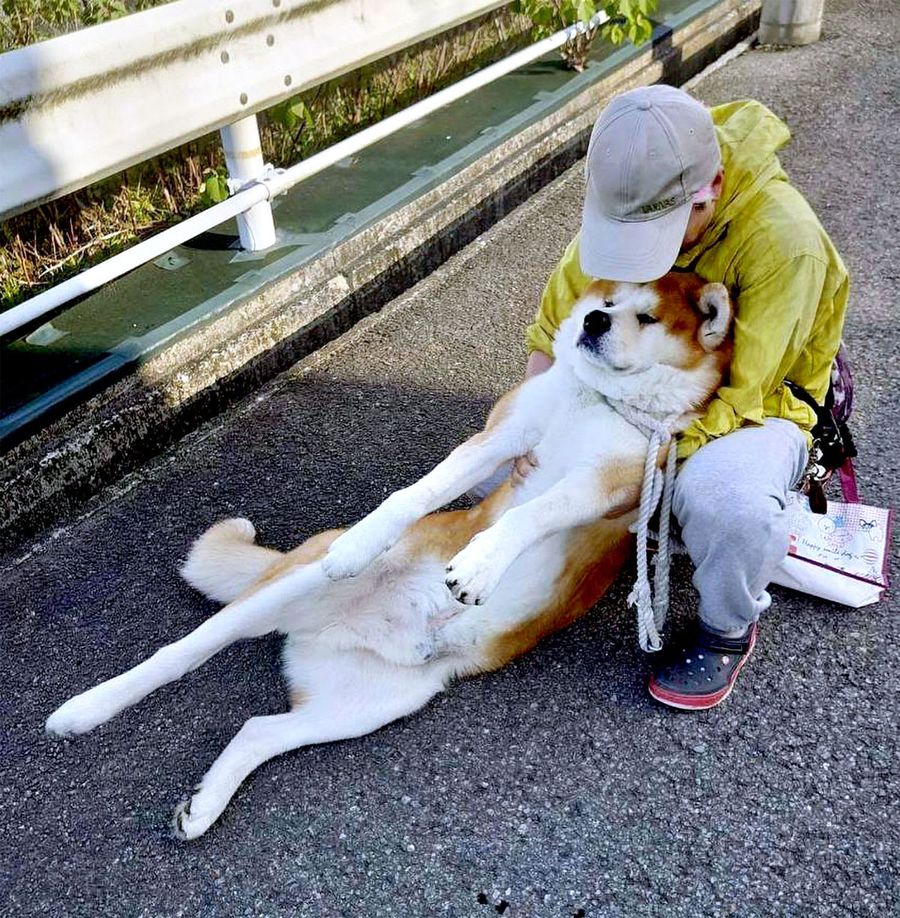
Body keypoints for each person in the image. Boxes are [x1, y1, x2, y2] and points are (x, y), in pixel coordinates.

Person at [521, 84, 849, 710]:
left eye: (664, 233)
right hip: (633, 382)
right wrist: (533, 433)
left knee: (726, 501)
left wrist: (639, 468)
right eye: (626, 237)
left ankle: (726, 627)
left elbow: (745, 393)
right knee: (510, 475)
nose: (643, 257)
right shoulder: (630, 192)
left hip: (753, 402)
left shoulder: (787, 242)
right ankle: (624, 534)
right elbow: (551, 335)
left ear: (714, 185)